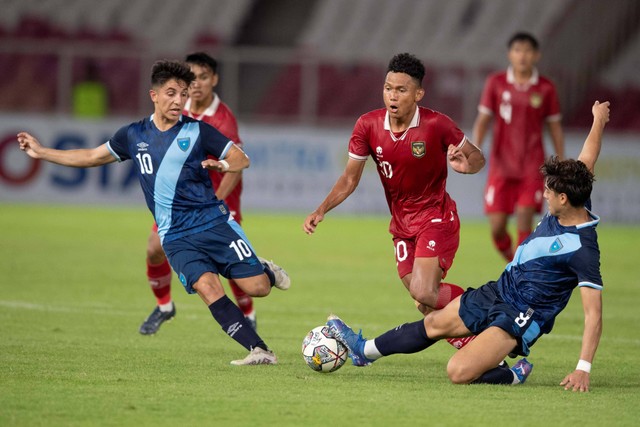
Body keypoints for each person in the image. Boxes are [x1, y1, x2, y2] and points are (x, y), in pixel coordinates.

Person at [17, 60, 290, 366]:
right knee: (206, 286)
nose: (178, 100)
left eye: (183, 94)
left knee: (257, 288)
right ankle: (260, 350)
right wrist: (41, 152)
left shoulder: (198, 131)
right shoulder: (133, 135)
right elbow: (91, 156)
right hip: (174, 235)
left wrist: (222, 165)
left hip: (213, 223)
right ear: (154, 95)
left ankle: (264, 269)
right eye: (171, 93)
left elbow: (241, 158)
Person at [326, 100, 610, 392]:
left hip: (520, 316)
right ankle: (364, 350)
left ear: (564, 198)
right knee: (434, 322)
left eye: (549, 192)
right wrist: (598, 119)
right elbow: (588, 157)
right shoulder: (577, 193)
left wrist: (582, 369)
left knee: (457, 370)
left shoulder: (583, 249)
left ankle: (511, 375)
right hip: (500, 290)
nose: (544, 195)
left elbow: (593, 315)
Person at [303, 53, 485, 331]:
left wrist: (465, 166)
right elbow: (349, 179)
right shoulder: (368, 125)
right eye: (388, 88)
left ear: (418, 94)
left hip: (436, 217)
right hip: (401, 226)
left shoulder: (437, 125)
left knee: (425, 292)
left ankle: (491, 307)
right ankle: (478, 344)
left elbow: (478, 158)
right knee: (424, 302)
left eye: (401, 90)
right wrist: (321, 209)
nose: (393, 96)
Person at [139, 52, 256, 335]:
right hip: (180, 202)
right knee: (154, 249)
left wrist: (216, 202)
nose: (197, 84)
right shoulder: (178, 107)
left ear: (214, 79)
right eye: (193, 78)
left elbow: (237, 167)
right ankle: (165, 306)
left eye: (204, 77)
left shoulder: (223, 120)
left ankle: (248, 314)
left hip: (218, 199)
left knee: (232, 267)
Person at [472, 32, 565, 262]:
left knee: (524, 219)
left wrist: (561, 160)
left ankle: (519, 270)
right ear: (510, 54)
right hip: (501, 166)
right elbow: (483, 120)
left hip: (532, 166)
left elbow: (554, 127)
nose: (522, 55)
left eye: (527, 51)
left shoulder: (545, 88)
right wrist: (474, 148)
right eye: (517, 50)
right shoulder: (496, 83)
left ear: (536, 55)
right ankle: (513, 261)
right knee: (497, 228)